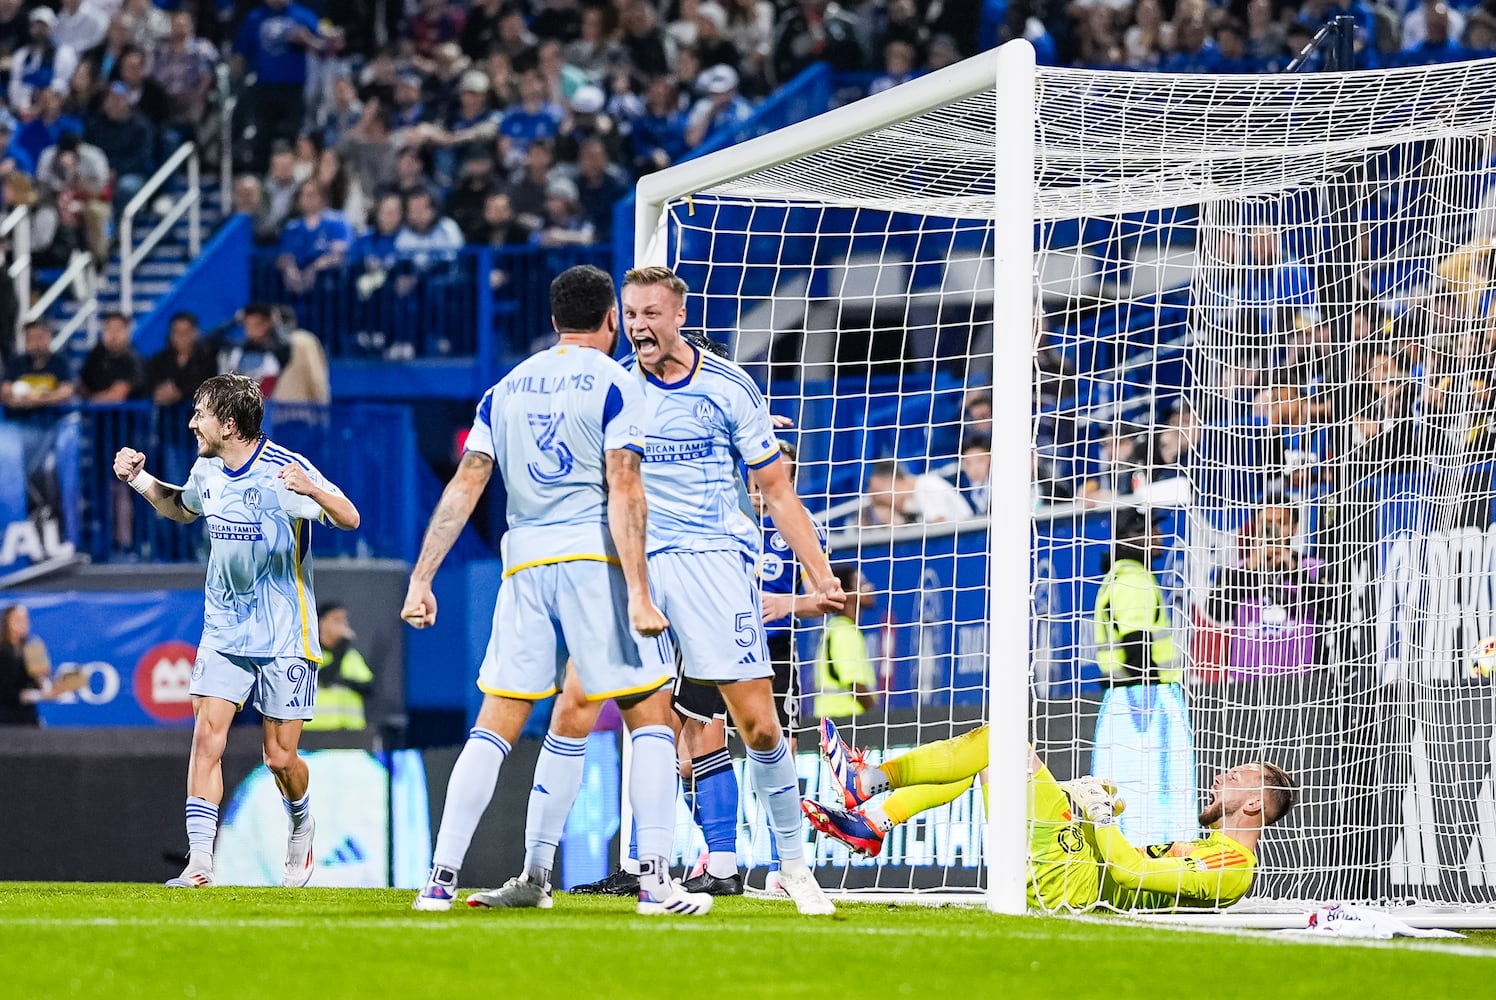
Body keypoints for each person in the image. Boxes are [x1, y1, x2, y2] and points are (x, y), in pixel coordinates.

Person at [517, 266, 846, 915]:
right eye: (630, 314)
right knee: (580, 702)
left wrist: (818, 572)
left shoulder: (729, 387)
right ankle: (549, 872)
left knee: (756, 722)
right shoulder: (615, 389)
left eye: (650, 314)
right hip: (637, 561)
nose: (639, 326)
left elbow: (776, 489)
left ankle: (795, 868)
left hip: (715, 563)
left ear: (677, 315)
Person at [404, 264, 711, 917]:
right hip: (592, 563)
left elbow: (465, 486)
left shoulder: (503, 389)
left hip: (523, 568)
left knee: (496, 723)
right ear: (609, 320)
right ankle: (656, 883)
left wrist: (423, 575)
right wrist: (639, 591)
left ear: (552, 321)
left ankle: (438, 879)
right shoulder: (616, 384)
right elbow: (626, 487)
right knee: (649, 708)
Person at [112, 373, 361, 888]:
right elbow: (182, 508)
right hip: (225, 630)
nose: (190, 422)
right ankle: (201, 863)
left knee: (280, 757)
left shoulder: (285, 471)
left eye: (199, 413)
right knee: (206, 738)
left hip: (286, 635)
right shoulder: (206, 469)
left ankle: (301, 822)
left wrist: (313, 490)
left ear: (228, 424)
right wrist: (140, 480)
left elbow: (350, 517)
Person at [804, 720, 1297, 911]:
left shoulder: (1233, 866)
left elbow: (1127, 871)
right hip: (1073, 867)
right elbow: (1129, 862)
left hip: (1070, 885)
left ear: (1256, 804)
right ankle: (873, 824)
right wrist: (1094, 807)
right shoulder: (1210, 848)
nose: (1220, 778)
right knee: (992, 759)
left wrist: (1102, 817)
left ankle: (867, 784)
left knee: (1002, 741)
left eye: (1236, 778)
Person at [812, 564, 878, 719]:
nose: (870, 588)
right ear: (847, 593)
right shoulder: (844, 632)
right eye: (861, 584)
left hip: (836, 720)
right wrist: (878, 718)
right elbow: (855, 684)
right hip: (844, 719)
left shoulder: (838, 628)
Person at [0, 604, 83, 725]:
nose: (23, 624)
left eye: (25, 619)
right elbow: (7, 692)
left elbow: (40, 682)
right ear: (7, 622)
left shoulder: (31, 648)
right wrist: (36, 695)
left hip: (27, 719)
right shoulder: (2, 652)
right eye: (17, 620)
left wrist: (53, 688)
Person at [304, 602, 373, 731]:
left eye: (344, 620)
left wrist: (343, 681)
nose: (343, 625)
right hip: (313, 734)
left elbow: (368, 687)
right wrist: (342, 646)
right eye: (337, 620)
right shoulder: (308, 654)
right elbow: (325, 678)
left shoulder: (351, 656)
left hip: (349, 735)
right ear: (321, 623)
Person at [80, 310, 144, 402]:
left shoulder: (133, 360)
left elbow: (116, 396)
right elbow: (83, 387)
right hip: (95, 415)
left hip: (127, 415)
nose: (113, 335)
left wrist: (92, 400)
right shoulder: (96, 354)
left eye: (118, 329)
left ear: (127, 332)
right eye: (108, 329)